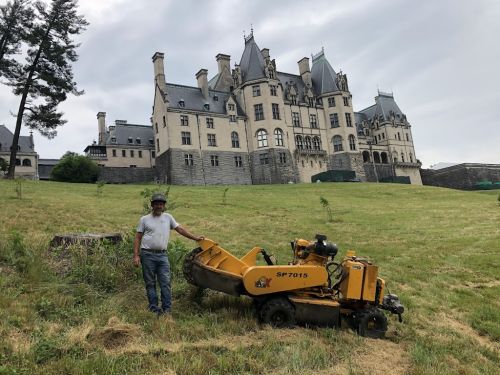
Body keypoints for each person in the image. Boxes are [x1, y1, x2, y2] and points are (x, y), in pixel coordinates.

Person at [133, 193, 203, 315]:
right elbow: (138, 238)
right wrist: (136, 255)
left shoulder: (168, 217)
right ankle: (154, 308)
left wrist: (195, 238)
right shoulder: (144, 219)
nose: (159, 206)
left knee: (165, 283)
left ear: (164, 206)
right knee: (150, 283)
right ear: (152, 205)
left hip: (162, 256)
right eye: (156, 204)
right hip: (147, 255)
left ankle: (167, 310)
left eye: (161, 204)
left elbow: (180, 229)